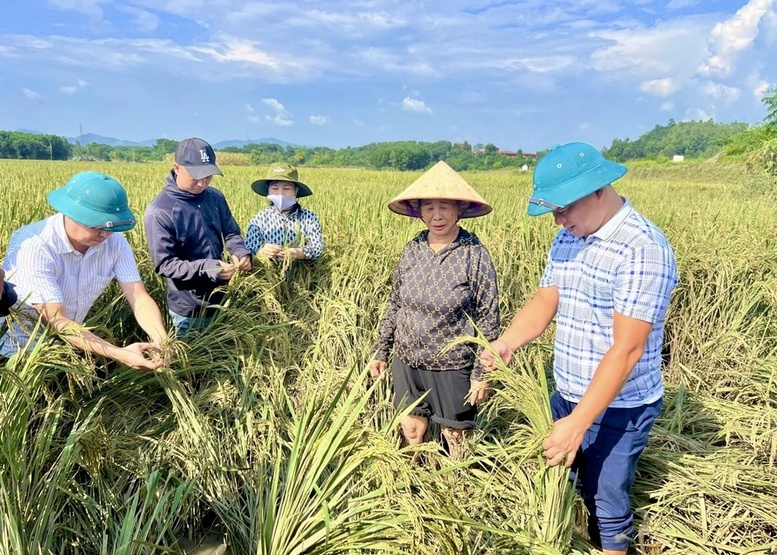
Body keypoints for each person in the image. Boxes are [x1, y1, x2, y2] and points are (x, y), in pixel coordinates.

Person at [480, 142, 679, 554]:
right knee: (567, 483)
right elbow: (546, 298)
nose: (559, 218)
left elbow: (628, 349)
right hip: (568, 390)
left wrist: (578, 424)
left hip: (620, 406)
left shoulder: (641, 248)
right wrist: (507, 342)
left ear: (599, 190)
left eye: (564, 207)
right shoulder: (568, 238)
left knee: (607, 497)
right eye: (552, 211)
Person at [369, 160, 499, 458]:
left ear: (459, 210)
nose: (436, 216)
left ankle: (454, 490)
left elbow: (488, 318)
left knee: (456, 435)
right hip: (407, 359)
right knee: (411, 429)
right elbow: (395, 303)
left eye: (444, 207)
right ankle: (412, 485)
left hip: (452, 364)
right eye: (428, 207)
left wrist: (482, 372)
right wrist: (381, 351)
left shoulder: (474, 254)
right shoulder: (412, 248)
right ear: (419, 211)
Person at [0, 171, 169, 370]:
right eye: (97, 226)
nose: (105, 234)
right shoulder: (36, 245)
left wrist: (161, 339)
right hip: (17, 353)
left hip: (68, 349)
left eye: (112, 227)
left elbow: (138, 296)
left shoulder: (115, 242)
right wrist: (120, 354)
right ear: (71, 213)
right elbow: (57, 320)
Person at [144, 137, 251, 338]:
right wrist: (209, 268)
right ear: (177, 168)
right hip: (188, 309)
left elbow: (231, 232)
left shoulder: (215, 197)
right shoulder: (160, 211)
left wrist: (240, 252)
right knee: (193, 364)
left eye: (208, 176)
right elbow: (165, 264)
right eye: (195, 176)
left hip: (221, 301)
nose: (202, 183)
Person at [245, 162, 324, 262]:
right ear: (267, 190)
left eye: (287, 188)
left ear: (296, 190)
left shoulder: (308, 218)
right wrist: (262, 252)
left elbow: (317, 248)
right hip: (268, 275)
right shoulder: (259, 220)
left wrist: (298, 253)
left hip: (302, 275)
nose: (280, 193)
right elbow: (248, 252)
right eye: (274, 188)